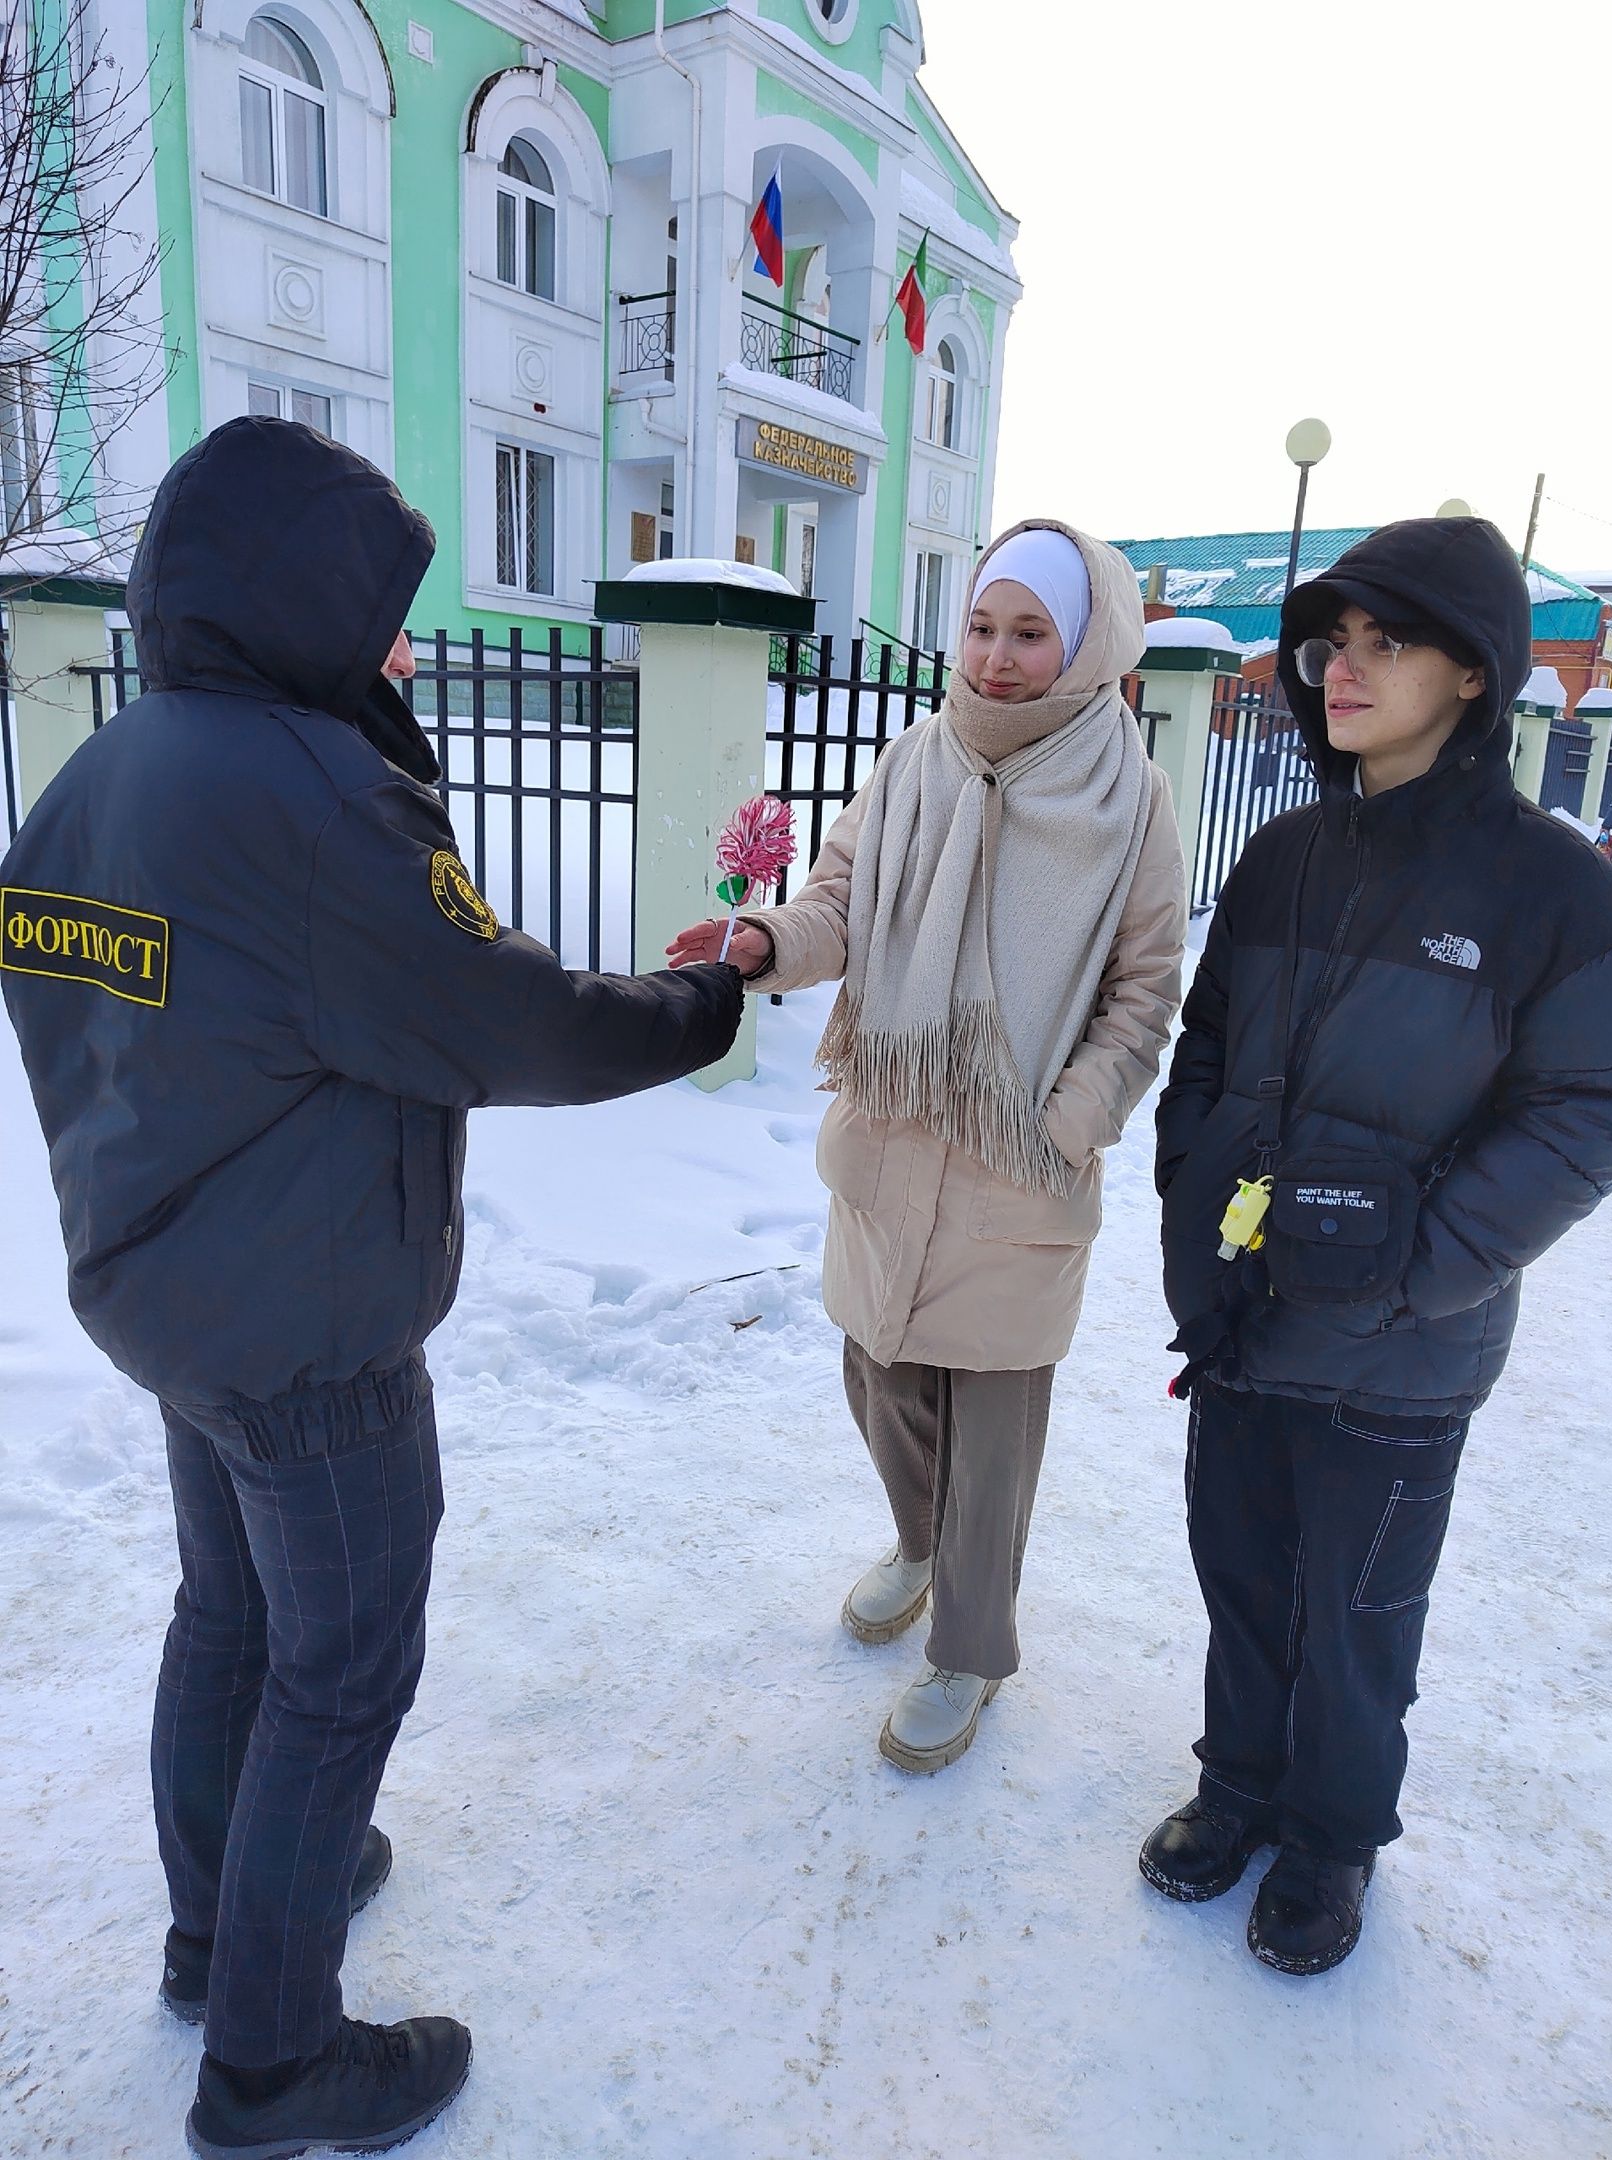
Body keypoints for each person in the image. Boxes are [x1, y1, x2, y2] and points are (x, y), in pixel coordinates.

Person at [0, 417, 743, 2159]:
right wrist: (699, 1005)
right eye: (382, 607)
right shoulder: (313, 799)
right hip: (308, 1323)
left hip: (161, 1283)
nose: (401, 644)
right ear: (297, 596)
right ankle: (271, 2062)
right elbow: (510, 1021)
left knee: (232, 1620)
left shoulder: (106, 769)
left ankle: (222, 1931)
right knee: (339, 1673)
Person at [1143, 516, 1612, 1975]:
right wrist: (1190, 1180)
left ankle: (1333, 1839)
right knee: (1239, 1573)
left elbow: (1586, 1109)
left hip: (1407, 1345)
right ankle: (1237, 1788)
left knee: (1356, 1613)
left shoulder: (1559, 889)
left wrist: (1417, 1266)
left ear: (1471, 673)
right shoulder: (1283, 854)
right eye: (1329, 642)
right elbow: (1209, 1045)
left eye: (1385, 641)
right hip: (1243, 1313)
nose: (1343, 669)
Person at [668, 521, 1186, 1772]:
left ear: (1087, 646)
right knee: (881, 1379)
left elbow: (1146, 984)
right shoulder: (914, 759)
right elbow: (841, 898)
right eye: (982, 627)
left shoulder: (1131, 796)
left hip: (1018, 1161)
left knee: (995, 1436)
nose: (998, 659)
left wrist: (1070, 1116)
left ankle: (969, 1649)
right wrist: (765, 942)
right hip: (896, 1137)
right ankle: (915, 1545)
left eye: (1030, 634)